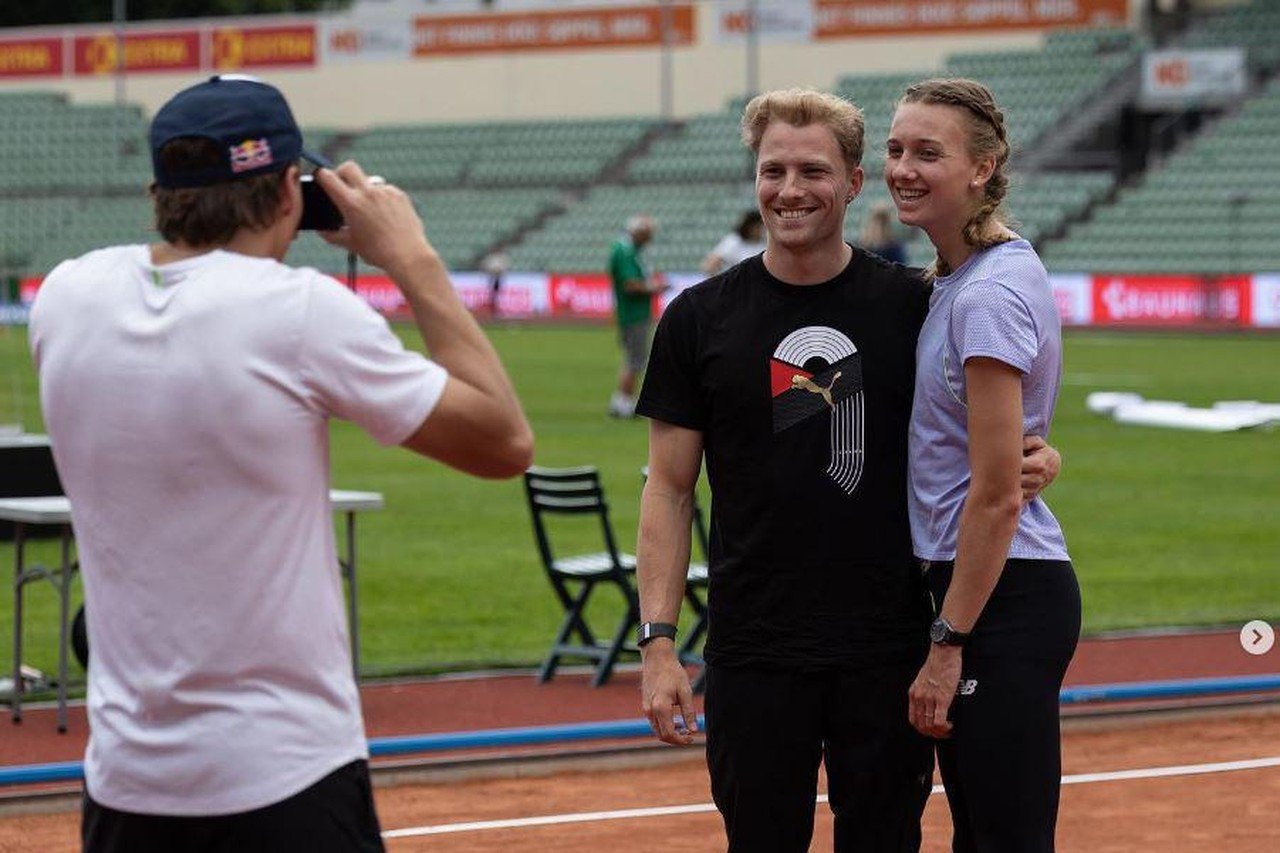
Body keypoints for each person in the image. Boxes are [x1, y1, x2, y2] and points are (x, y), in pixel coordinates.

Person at [28, 75, 533, 853]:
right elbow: (503, 441)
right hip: (287, 776)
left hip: (126, 783)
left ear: (158, 191)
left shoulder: (67, 296)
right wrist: (413, 258)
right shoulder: (298, 312)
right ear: (290, 198)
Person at [634, 88, 1059, 853]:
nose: (790, 189)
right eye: (773, 170)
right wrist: (658, 641)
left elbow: (984, 432)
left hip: (890, 649)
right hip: (753, 650)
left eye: (813, 170)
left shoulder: (916, 305)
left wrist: (1040, 455)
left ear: (854, 182)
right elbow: (667, 488)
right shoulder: (697, 319)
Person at [886, 78, 1080, 852]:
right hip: (980, 585)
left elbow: (998, 496)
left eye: (928, 152)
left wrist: (945, 642)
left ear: (982, 167)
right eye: (896, 149)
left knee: (1003, 835)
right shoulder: (961, 278)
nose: (903, 167)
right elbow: (1001, 444)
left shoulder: (986, 295)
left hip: (995, 594)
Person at [607, 214, 666, 418]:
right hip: (633, 312)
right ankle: (623, 403)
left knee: (632, 358)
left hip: (631, 312)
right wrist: (654, 288)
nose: (649, 239)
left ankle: (621, 401)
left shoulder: (626, 250)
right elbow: (630, 285)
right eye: (647, 234)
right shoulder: (625, 252)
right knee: (635, 359)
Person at [700, 209, 766, 274]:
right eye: (759, 226)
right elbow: (710, 266)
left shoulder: (766, 242)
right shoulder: (734, 241)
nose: (762, 229)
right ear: (750, 226)